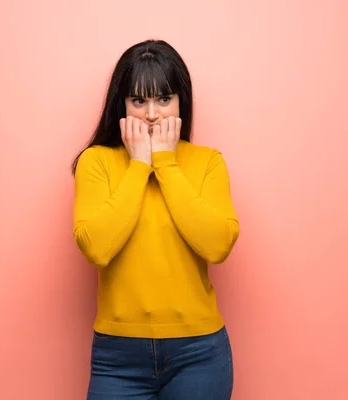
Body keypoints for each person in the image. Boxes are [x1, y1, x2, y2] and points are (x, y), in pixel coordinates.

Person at [71, 39, 239, 400]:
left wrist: (165, 163)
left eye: (164, 99)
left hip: (198, 355)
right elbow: (97, 248)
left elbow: (217, 245)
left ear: (181, 103)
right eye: (138, 100)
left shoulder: (208, 161)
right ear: (122, 104)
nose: (151, 114)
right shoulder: (96, 162)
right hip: (118, 358)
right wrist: (138, 165)